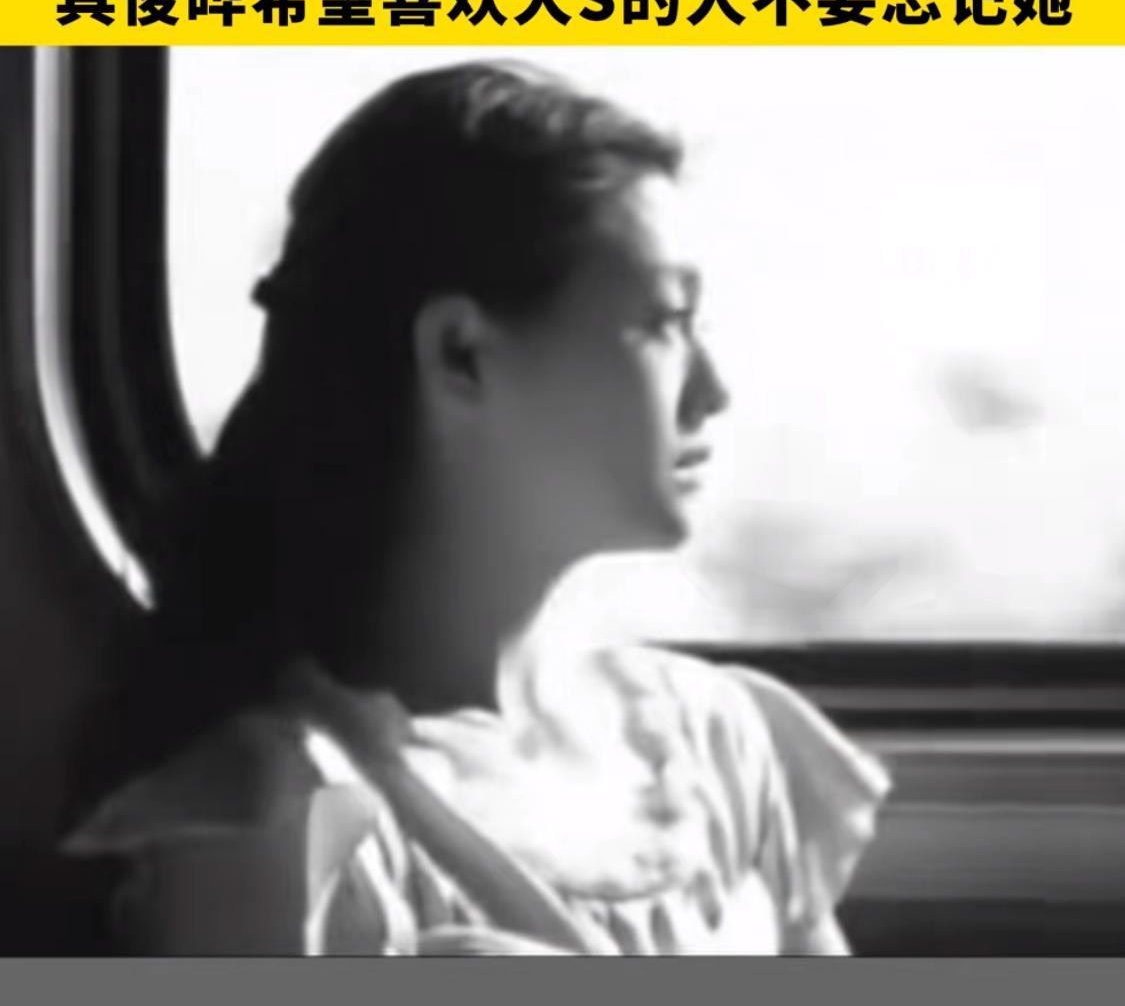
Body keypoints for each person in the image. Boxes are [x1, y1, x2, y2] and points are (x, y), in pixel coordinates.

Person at [66, 60, 889, 955]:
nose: (713, 391)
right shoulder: (282, 821)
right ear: (462, 355)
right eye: (663, 321)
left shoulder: (717, 743)